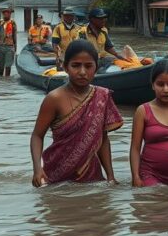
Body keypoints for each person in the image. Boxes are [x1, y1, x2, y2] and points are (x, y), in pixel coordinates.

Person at [29, 40, 123, 186]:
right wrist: (37, 169)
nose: (82, 72)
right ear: (66, 67)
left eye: (88, 66)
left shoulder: (102, 96)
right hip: (55, 174)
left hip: (91, 175)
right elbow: (37, 135)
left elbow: (102, 139)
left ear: (96, 68)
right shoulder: (54, 98)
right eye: (76, 65)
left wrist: (110, 176)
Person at [0, 7, 18, 77]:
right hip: (0, 47)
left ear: (10, 14)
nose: (6, 15)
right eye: (4, 14)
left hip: (10, 47)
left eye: (8, 13)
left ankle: (7, 80)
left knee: (8, 65)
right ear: (3, 14)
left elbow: (14, 35)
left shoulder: (13, 23)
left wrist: (15, 46)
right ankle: (1, 78)